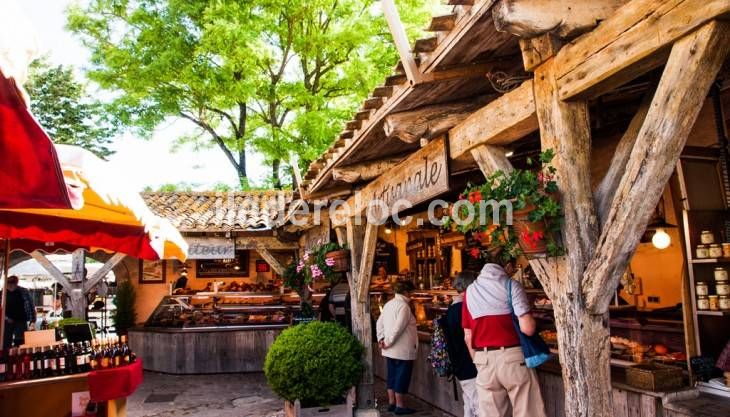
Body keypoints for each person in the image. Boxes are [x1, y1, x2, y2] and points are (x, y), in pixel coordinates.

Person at [462, 263, 546, 417]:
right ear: (507, 266)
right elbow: (527, 328)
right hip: (513, 358)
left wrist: (479, 361)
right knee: (527, 411)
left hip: (483, 361)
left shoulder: (469, 292)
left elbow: (468, 336)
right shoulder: (511, 285)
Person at [376, 280, 418, 415]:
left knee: (392, 375)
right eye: (411, 292)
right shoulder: (404, 307)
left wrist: (381, 339)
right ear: (405, 292)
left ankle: (391, 403)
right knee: (401, 376)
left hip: (389, 349)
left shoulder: (389, 304)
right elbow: (398, 328)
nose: (412, 295)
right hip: (402, 349)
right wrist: (387, 341)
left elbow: (379, 322)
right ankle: (400, 406)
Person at [442, 271, 479, 417]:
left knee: (469, 404)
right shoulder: (464, 308)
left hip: (460, 365)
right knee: (478, 405)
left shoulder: (452, 309)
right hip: (469, 364)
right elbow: (468, 337)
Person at [3, 276, 36, 350]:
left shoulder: (24, 291)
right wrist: (6, 318)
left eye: (13, 283)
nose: (11, 285)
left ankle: (20, 358)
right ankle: (6, 358)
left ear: (17, 283)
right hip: (7, 321)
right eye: (9, 283)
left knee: (21, 342)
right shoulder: (2, 293)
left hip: (21, 320)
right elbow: (1, 309)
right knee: (6, 342)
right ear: (6, 283)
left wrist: (33, 319)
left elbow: (31, 305)